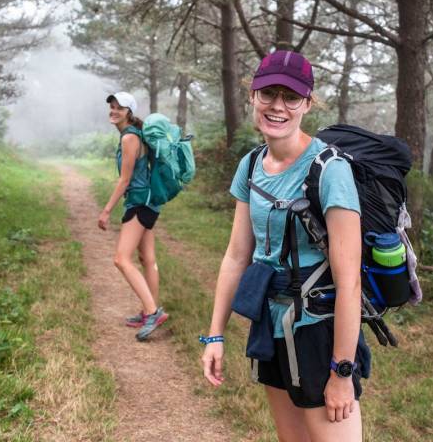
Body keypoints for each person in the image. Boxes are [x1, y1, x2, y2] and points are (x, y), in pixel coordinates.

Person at [201, 51, 370, 441]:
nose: (278, 106)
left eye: (290, 97)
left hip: (318, 332)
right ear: (253, 96)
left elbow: (350, 283)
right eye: (268, 94)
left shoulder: (331, 171)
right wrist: (215, 335)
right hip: (271, 327)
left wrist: (342, 372)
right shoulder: (251, 164)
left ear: (307, 104)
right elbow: (236, 256)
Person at [97, 91, 168, 341]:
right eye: (112, 106)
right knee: (147, 258)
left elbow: (125, 179)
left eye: (119, 107)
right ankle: (148, 309)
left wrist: (106, 210)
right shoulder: (135, 134)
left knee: (121, 259)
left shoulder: (129, 137)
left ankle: (152, 311)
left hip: (139, 202)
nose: (114, 111)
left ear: (129, 112)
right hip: (149, 201)